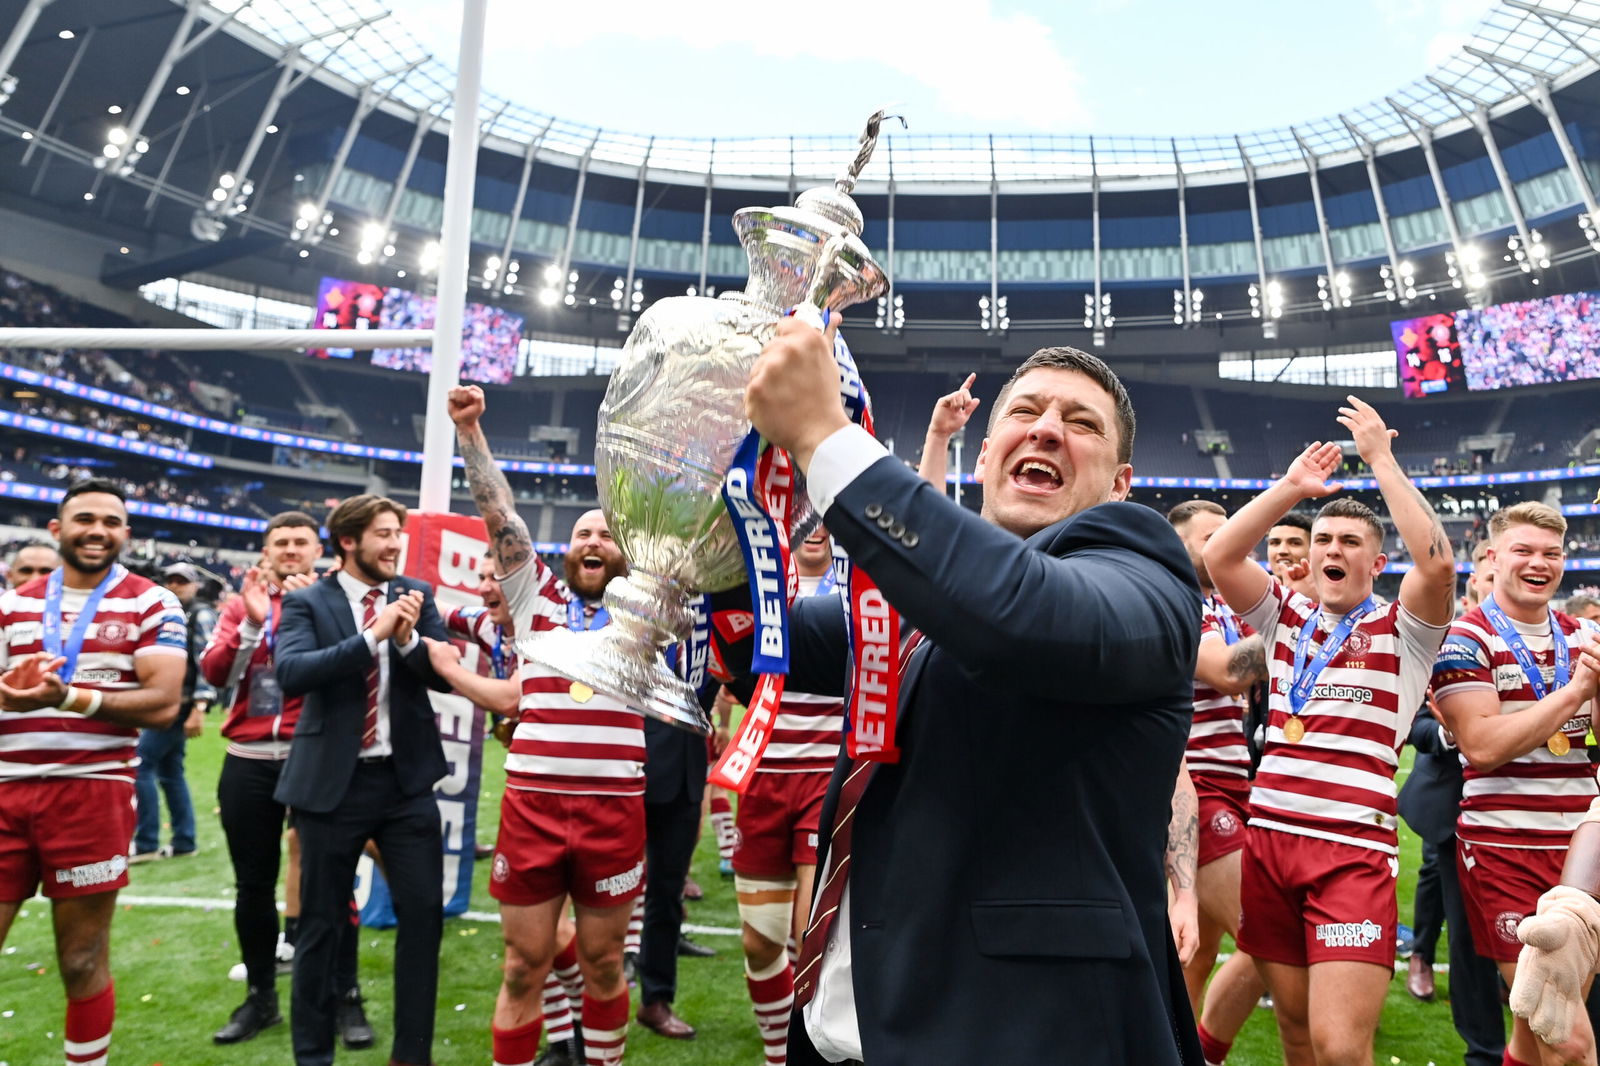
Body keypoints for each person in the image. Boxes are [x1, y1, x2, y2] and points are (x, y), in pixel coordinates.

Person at [724, 322, 1203, 1064]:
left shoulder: (1142, 567)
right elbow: (755, 642)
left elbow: (1022, 615)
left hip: (1024, 1037)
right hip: (852, 1025)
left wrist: (828, 439)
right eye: (1026, 411)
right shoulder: (904, 601)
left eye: (1081, 424)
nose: (1047, 429)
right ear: (984, 454)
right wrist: (716, 508)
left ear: (1120, 485)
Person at [1202, 396, 1456, 1066]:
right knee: (1293, 1032)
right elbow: (1221, 552)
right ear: (1310, 558)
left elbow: (1436, 565)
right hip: (1270, 843)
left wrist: (1380, 459)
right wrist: (1290, 488)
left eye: (1350, 543)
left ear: (1376, 564)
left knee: (1340, 1047)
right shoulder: (1284, 616)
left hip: (1348, 855)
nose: (1333, 551)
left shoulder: (1405, 629)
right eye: (1324, 542)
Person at [446, 384, 642, 1066]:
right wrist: (470, 432)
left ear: (625, 552)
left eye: (606, 534)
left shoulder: (649, 609)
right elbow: (497, 510)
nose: (593, 540)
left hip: (615, 808)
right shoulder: (532, 598)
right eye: (583, 532)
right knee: (522, 967)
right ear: (566, 550)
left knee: (605, 964)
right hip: (532, 807)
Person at [0, 478, 186, 1066]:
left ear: (125, 533)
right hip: (4, 792)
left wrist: (65, 697)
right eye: (85, 519)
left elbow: (162, 702)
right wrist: (12, 697)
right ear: (58, 530)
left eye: (111, 522)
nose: (97, 531)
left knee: (81, 959)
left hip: (92, 792)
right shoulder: (12, 604)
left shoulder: (152, 601)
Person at [274, 494, 451, 1066]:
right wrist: (372, 637)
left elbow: (443, 678)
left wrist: (408, 641)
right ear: (348, 541)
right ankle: (312, 1056)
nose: (395, 542)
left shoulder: (415, 598)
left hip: (406, 786)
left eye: (397, 532)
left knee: (423, 919)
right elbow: (294, 673)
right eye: (382, 533)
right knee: (320, 927)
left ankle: (412, 1055)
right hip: (332, 786)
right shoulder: (308, 602)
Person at [1433, 502, 1600, 1066]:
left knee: (1538, 1028)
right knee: (1566, 1035)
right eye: (1524, 550)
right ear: (1492, 556)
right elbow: (1483, 744)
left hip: (1583, 851)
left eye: (1551, 553)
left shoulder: (1585, 634)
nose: (1539, 563)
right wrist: (1574, 693)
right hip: (1504, 849)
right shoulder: (1464, 637)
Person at [201, 511, 371, 1049]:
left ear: (318, 549)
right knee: (253, 884)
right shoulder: (237, 607)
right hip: (248, 755)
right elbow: (216, 676)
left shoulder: (336, 599)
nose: (292, 549)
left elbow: (353, 670)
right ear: (266, 551)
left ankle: (346, 996)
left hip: (314, 750)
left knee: (332, 878)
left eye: (301, 541)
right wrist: (252, 623)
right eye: (282, 542)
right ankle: (261, 997)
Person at [438, 551, 587, 1066]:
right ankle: (570, 1035)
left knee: (548, 936)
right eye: (478, 578)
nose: (484, 588)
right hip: (530, 788)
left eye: (495, 578)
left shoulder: (553, 626)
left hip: (578, 789)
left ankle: (580, 1026)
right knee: (532, 945)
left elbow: (509, 698)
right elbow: (444, 609)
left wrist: (446, 670)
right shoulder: (489, 624)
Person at [728, 525, 849, 1066]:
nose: (815, 530)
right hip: (763, 777)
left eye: (826, 519)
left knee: (806, 937)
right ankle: (778, 1050)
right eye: (805, 519)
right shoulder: (767, 589)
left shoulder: (851, 592)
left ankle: (797, 1058)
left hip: (825, 778)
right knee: (759, 945)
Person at [1164, 499, 1270, 1066]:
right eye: (1211, 537)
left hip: (1236, 785)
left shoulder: (1224, 606)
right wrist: (1295, 629)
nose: (1229, 543)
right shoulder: (1176, 599)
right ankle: (1204, 1053)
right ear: (1178, 545)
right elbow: (1227, 672)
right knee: (1270, 941)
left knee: (1194, 956)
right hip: (1196, 787)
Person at [1395, 540, 1504, 1066]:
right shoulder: (1444, 641)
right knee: (1440, 884)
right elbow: (1412, 720)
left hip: (1518, 801)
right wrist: (1448, 736)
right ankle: (1420, 955)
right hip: (1448, 794)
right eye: (1482, 575)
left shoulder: (1553, 640)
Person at [129, 563, 214, 862]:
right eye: (171, 580)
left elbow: (206, 662)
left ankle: (148, 840)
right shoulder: (170, 613)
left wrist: (200, 707)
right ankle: (184, 841)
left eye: (183, 581)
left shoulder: (200, 614)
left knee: (141, 764)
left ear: (195, 586)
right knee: (170, 772)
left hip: (179, 705)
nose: (176, 585)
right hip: (173, 703)